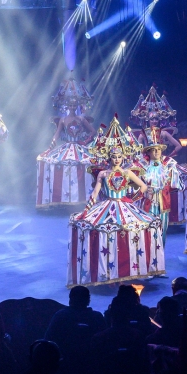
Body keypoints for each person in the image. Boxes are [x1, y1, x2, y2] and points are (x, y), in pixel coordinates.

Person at [68, 117, 164, 287]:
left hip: (124, 206)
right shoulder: (103, 174)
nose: (117, 159)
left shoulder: (127, 173)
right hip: (108, 206)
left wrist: (132, 202)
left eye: (119, 156)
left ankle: (125, 270)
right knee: (109, 235)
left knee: (125, 236)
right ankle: (110, 273)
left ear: (123, 156)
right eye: (113, 156)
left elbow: (143, 186)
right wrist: (87, 210)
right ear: (109, 157)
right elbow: (96, 193)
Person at [36, 80, 96, 208]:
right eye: (70, 105)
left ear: (78, 106)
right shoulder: (63, 119)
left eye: (75, 105)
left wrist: (85, 141)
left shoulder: (81, 119)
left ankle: (83, 199)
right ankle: (64, 198)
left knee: (84, 166)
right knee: (58, 164)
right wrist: (50, 148)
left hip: (80, 147)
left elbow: (93, 131)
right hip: (66, 147)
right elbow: (57, 134)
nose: (73, 107)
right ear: (67, 106)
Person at [44, 285, 106, 372]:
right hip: (92, 367)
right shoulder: (97, 317)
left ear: (70, 299)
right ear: (88, 300)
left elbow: (48, 340)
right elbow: (105, 343)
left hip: (65, 367)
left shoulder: (60, 315)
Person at [140, 127, 183, 243]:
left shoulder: (168, 164)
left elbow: (175, 184)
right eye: (153, 149)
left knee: (162, 228)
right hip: (147, 201)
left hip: (163, 201)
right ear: (148, 151)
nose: (156, 152)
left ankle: (160, 254)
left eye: (158, 149)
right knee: (148, 228)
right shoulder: (142, 165)